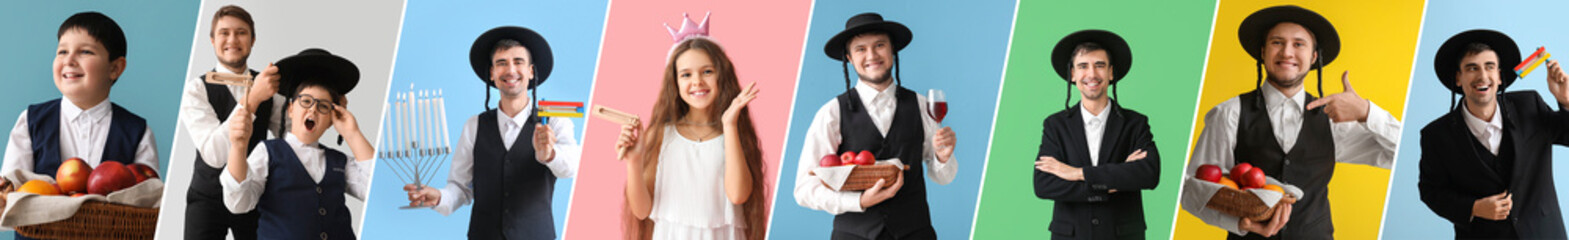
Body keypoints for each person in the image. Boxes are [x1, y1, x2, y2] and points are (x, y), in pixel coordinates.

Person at [1179, 5, 1400, 239]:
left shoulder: (1333, 119)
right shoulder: (1229, 113)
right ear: (1263, 52)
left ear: (1314, 57)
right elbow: (1192, 189)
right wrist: (1243, 224)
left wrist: (1366, 112)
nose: (1287, 52)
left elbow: (1402, 155)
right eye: (1277, 42)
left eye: (1298, 44)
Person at [402, 26, 582, 240]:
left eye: (518, 62)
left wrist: (549, 154)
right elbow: (461, 187)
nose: (511, 70)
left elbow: (571, 167)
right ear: (492, 74)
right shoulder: (474, 126)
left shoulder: (554, 120)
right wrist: (439, 197)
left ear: (531, 71)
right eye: (501, 63)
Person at [793, 12, 959, 240]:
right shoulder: (831, 113)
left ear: (892, 50)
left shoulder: (922, 106)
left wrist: (943, 157)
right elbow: (804, 188)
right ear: (849, 58)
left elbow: (943, 177)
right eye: (860, 49)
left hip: (915, 233)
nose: (871, 55)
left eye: (879, 45)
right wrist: (858, 201)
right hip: (853, 235)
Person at [2, 12, 161, 240]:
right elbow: (9, 195)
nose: (69, 60)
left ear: (115, 68)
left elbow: (147, 202)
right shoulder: (30, 120)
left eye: (85, 51)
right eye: (62, 51)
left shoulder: (137, 131)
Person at [613, 13, 768, 240]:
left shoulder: (732, 134)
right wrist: (634, 162)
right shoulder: (661, 135)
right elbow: (642, 210)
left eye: (707, 71)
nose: (697, 81)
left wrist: (729, 124)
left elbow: (737, 195)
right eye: (686, 75)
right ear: (675, 83)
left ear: (721, 76)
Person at [1417, 29, 1569, 239]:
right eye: (1472, 68)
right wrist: (1474, 208)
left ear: (1499, 76)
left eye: (1490, 67)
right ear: (1458, 78)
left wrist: (1566, 101)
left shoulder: (1529, 105)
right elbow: (1430, 191)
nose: (1482, 76)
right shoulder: (1436, 136)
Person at [220, 48, 374, 240]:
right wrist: (238, 147)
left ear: (331, 120)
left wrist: (352, 133)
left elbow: (375, 189)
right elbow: (239, 203)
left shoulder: (338, 161)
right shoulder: (269, 152)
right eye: (306, 101)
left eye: (323, 106)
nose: (313, 110)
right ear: (291, 109)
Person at [1032, 30, 1160, 239]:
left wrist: (1077, 173)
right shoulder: (1055, 125)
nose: (1091, 74)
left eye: (1099, 65)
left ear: (1111, 72)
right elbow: (1044, 184)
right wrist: (1110, 182)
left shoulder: (1135, 123)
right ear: (1072, 74)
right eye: (1083, 66)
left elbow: (1148, 173)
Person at [179, 5, 279, 239]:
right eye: (224, 33)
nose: (232, 39)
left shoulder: (271, 88)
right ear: (212, 40)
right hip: (206, 198)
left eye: (241, 32)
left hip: (254, 194)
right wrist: (253, 98)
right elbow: (214, 155)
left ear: (253, 40)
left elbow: (290, 134)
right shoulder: (195, 89)